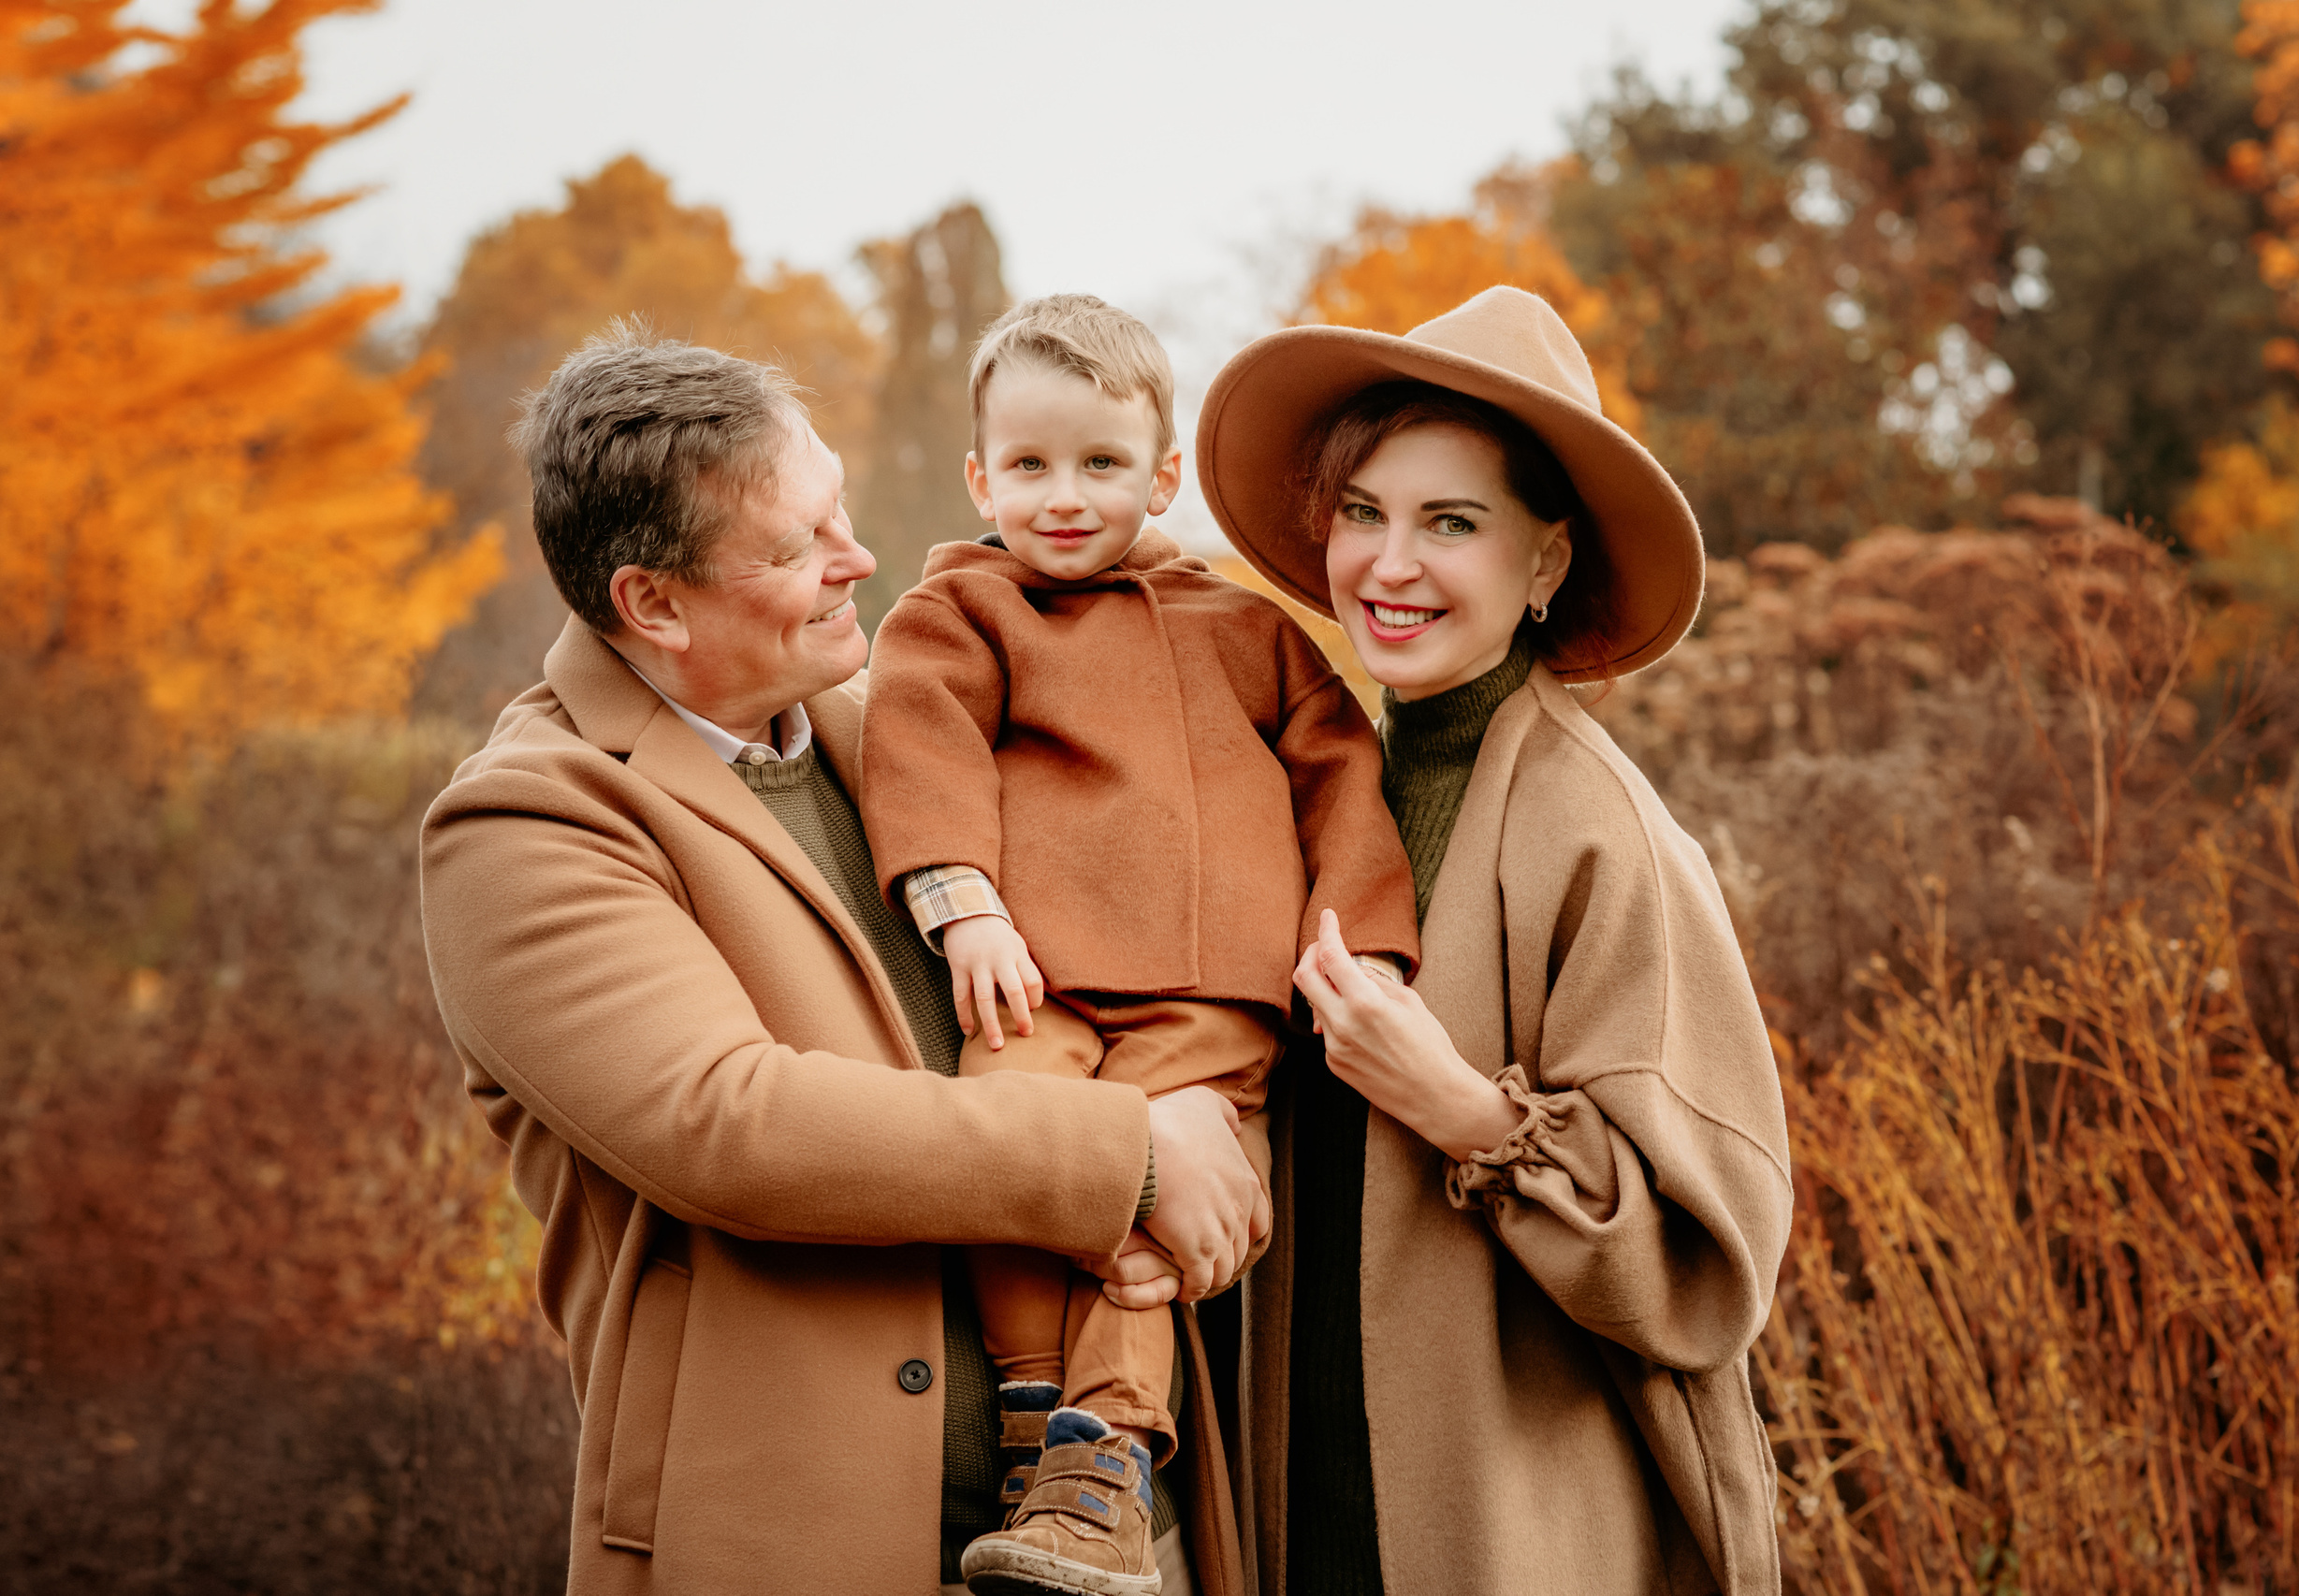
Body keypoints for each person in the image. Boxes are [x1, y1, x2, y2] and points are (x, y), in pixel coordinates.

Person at [416, 327, 1268, 1596]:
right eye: (795, 548)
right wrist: (1136, 1155)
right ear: (653, 601)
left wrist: (1219, 1123)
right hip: (802, 1542)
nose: (856, 561)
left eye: (842, 512)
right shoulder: (529, 825)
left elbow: (1135, 930)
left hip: (1112, 1533)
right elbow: (734, 1123)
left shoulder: (907, 737)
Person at [1194, 286, 1794, 1595]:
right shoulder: (1313, 776)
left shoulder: (1607, 837)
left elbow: (1706, 1271)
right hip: (1294, 1486)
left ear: (1545, 563)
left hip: (1505, 1515)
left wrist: (1466, 1112)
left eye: (1449, 524)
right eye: (1363, 513)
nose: (1387, 565)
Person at [861, 294, 1419, 1596]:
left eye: (1102, 464)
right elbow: (920, 736)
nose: (1065, 495)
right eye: (1031, 465)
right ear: (979, 475)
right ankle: (1032, 1411)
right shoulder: (961, 611)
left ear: (1162, 475)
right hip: (1035, 969)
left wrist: (1361, 955)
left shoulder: (1250, 627)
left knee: (1163, 1203)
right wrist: (964, 899)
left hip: (1211, 992)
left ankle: (1101, 1457)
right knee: (1007, 1136)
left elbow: (1339, 777)